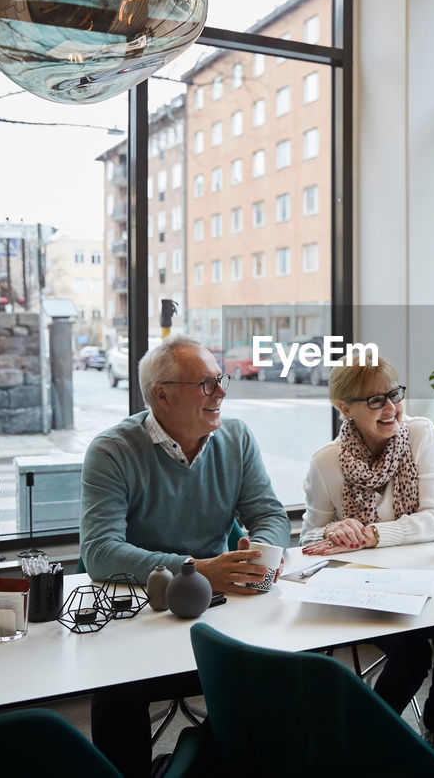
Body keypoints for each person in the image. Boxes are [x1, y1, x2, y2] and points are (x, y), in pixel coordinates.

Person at [80, 333, 291, 777]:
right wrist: (196, 572)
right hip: (141, 611)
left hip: (219, 609)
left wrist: (263, 551)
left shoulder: (236, 438)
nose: (220, 394)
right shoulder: (112, 450)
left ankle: (204, 764)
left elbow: (269, 513)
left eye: (221, 380)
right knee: (116, 690)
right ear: (163, 394)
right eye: (207, 384)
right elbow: (99, 552)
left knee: (282, 671)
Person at [301, 355, 434, 756]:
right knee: (413, 654)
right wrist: (333, 529)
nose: (391, 408)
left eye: (394, 394)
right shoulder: (326, 462)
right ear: (345, 408)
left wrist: (372, 534)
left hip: (428, 581)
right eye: (375, 400)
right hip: (367, 589)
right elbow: (308, 537)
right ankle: (368, 743)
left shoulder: (420, 435)